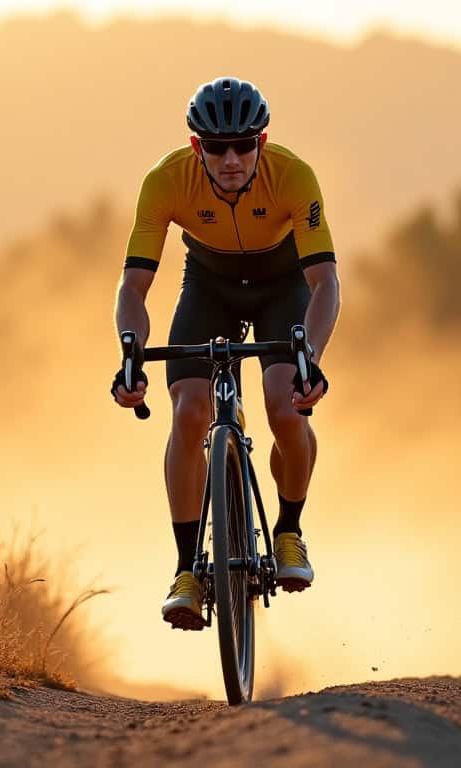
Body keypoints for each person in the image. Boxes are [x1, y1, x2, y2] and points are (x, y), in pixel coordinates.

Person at [112, 76, 341, 630]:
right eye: (216, 148)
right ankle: (187, 570)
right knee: (189, 412)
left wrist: (310, 356)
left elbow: (325, 283)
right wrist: (130, 358)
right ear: (197, 148)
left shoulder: (294, 175)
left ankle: (288, 531)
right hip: (208, 285)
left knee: (285, 405)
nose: (232, 158)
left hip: (279, 283)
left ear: (262, 141)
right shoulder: (166, 180)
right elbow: (132, 289)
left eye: (244, 145)